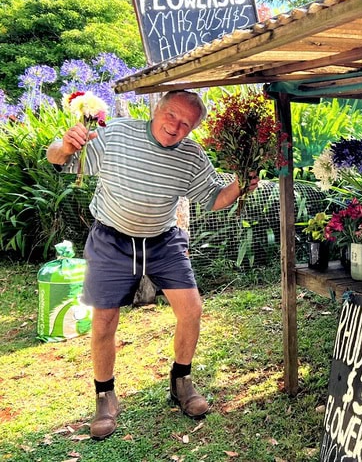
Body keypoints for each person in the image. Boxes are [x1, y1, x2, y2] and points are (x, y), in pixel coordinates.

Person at [46, 90, 258, 440]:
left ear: (193, 129)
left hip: (162, 240)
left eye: (186, 124)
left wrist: (240, 185)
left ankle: (181, 381)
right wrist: (66, 146)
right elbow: (57, 159)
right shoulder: (117, 133)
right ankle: (105, 397)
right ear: (157, 109)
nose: (175, 127)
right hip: (111, 239)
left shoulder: (191, 155)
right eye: (172, 115)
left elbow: (213, 198)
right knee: (104, 320)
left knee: (191, 309)